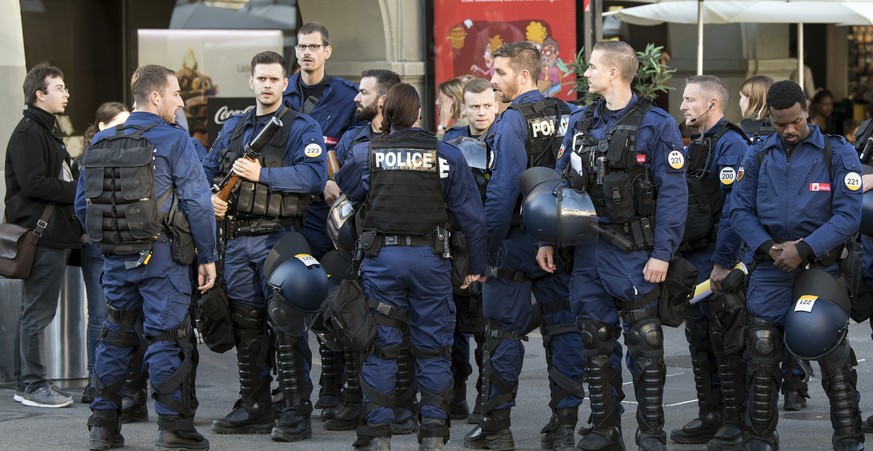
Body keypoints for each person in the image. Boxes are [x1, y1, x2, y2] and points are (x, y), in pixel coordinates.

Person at [538, 40, 688, 451]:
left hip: (636, 251)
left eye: (592, 68)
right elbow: (562, 185)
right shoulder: (580, 121)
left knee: (645, 342)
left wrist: (662, 253)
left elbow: (674, 195)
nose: (585, 74)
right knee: (594, 338)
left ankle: (651, 432)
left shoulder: (657, 124)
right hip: (587, 248)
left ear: (614, 73)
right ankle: (605, 429)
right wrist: (548, 239)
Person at [335, 82, 487, 451]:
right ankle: (433, 435)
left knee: (382, 348)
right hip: (431, 261)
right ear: (420, 115)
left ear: (385, 115)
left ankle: (377, 436)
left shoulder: (364, 153)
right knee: (433, 349)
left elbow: (346, 192)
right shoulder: (447, 155)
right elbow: (474, 219)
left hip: (383, 261)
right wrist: (476, 267)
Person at [76, 64, 218, 450]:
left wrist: (112, 239)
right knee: (167, 339)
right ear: (155, 97)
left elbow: (81, 205)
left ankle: (102, 428)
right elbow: (199, 204)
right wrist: (208, 255)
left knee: (116, 337)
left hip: (115, 258)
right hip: (163, 258)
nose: (181, 101)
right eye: (175, 94)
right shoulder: (175, 141)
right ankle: (173, 427)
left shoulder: (102, 142)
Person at [730, 80, 863, 450]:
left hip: (820, 271)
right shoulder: (757, 155)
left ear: (806, 110)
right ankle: (760, 440)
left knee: (833, 360)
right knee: (761, 356)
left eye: (794, 121)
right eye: (778, 124)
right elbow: (739, 211)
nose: (788, 130)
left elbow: (848, 215)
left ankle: (849, 440)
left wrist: (803, 248)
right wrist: (769, 247)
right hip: (770, 268)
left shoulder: (836, 153)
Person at [464, 41, 583, 451]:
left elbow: (501, 192)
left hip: (513, 243)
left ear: (525, 75)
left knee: (502, 337)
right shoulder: (566, 113)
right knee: (564, 332)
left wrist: (484, 252)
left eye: (499, 73)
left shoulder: (512, 120)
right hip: (559, 241)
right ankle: (564, 426)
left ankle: (496, 429)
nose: (493, 82)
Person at [203, 51, 326, 442]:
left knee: (287, 323)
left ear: (285, 84)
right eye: (262, 79)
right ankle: (254, 404)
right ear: (251, 82)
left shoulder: (299, 126)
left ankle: (295, 410)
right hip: (238, 240)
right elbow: (209, 169)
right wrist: (210, 197)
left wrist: (262, 174)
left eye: (275, 79)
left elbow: (313, 177)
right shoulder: (235, 128)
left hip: (280, 236)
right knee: (246, 325)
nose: (269, 85)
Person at [282, 22, 360, 419]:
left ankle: (332, 384)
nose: (307, 53)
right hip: (285, 209)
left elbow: (355, 151)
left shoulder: (346, 97)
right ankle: (291, 389)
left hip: (326, 214)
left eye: (314, 47)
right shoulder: (281, 90)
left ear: (327, 51)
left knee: (332, 297)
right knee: (289, 299)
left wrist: (333, 180)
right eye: (301, 47)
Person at [670, 75, 749, 447]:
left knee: (726, 339)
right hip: (693, 257)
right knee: (698, 338)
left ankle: (736, 419)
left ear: (712, 104)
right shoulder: (696, 144)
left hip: (719, 257)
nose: (683, 106)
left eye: (689, 100)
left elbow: (736, 208)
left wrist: (723, 261)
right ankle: (710, 415)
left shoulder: (731, 144)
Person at [323, 68, 402, 434]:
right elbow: (339, 185)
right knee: (354, 318)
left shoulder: (411, 138)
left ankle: (399, 404)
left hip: (400, 246)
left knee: (400, 326)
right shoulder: (352, 138)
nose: (356, 98)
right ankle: (354, 398)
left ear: (382, 99)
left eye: (363, 92)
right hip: (356, 245)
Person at [5, 62, 82, 409]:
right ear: (40, 94)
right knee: (37, 313)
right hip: (42, 235)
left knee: (33, 312)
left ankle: (28, 383)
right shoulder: (28, 133)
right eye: (60, 87)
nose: (66, 93)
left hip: (53, 234)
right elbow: (33, 183)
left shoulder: (46, 130)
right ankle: (33, 385)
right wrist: (77, 191)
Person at [441, 77, 497, 424]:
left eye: (486, 106)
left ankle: (485, 399)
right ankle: (456, 394)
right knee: (456, 325)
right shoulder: (449, 140)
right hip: (456, 244)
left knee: (488, 329)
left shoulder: (507, 136)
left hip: (494, 242)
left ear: (496, 105)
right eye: (474, 106)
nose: (480, 113)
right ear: (465, 107)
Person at [76, 101, 131, 405]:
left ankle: (112, 383)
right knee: (101, 316)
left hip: (114, 242)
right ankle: (95, 380)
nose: (124, 131)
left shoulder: (121, 153)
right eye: (117, 124)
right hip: (102, 245)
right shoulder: (93, 156)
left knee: (116, 316)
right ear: (101, 127)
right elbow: (81, 203)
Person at [738, 75, 775, 143]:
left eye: (741, 97)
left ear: (753, 99)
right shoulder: (784, 129)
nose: (739, 103)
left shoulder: (740, 131)